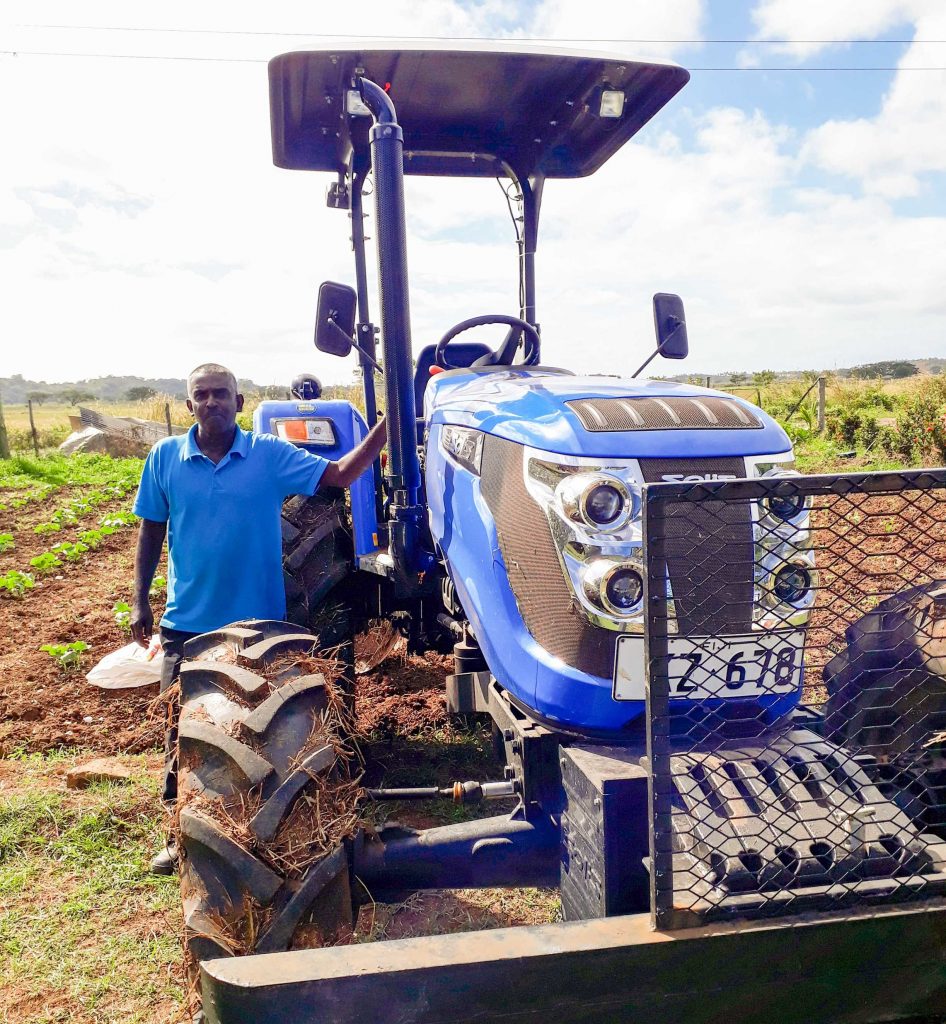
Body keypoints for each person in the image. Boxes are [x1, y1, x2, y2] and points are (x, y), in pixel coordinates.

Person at [130, 363, 386, 874]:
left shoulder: (268, 455)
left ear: (239, 401)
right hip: (188, 623)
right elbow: (150, 532)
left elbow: (337, 475)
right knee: (180, 733)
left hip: (260, 628)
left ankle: (269, 828)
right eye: (200, 395)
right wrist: (140, 601)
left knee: (269, 733)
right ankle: (178, 835)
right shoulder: (164, 459)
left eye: (220, 394)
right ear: (188, 406)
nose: (211, 403)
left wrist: (385, 431)